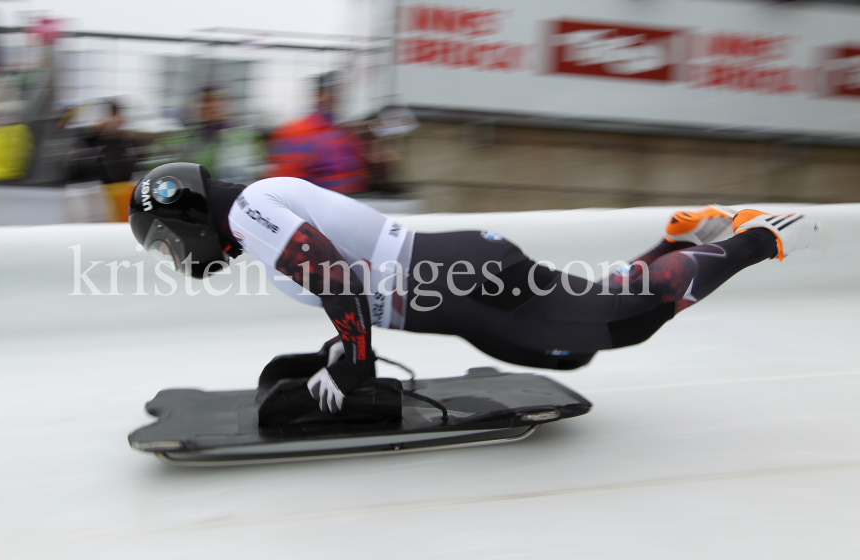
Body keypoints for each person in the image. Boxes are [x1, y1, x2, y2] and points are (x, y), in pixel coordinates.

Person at [129, 163, 831, 415]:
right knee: (572, 349)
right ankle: (677, 238)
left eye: (165, 242)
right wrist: (342, 353)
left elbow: (337, 278)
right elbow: (341, 279)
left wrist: (352, 362)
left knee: (622, 325)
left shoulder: (250, 212)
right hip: (453, 283)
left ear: (186, 216)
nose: (172, 255)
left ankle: (765, 236)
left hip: (452, 283)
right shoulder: (255, 212)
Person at [267, 71, 369, 194]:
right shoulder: (295, 132)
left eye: (338, 92)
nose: (335, 97)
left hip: (350, 204)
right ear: (317, 95)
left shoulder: (346, 134)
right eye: (329, 92)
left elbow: (358, 174)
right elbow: (288, 183)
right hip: (314, 207)